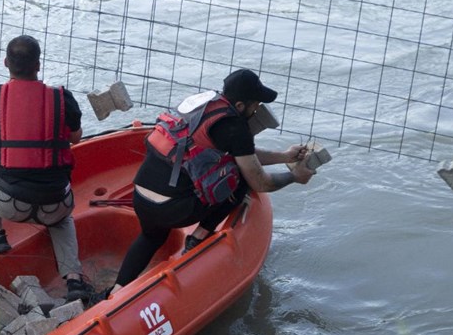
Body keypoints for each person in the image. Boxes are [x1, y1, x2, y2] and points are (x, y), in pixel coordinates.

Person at [100, 68, 316, 298]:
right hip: (173, 209)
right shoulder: (236, 127)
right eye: (256, 104)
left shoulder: (202, 105)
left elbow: (242, 154)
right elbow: (260, 181)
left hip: (141, 195)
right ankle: (199, 237)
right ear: (241, 106)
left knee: (151, 236)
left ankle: (115, 292)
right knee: (241, 177)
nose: (258, 109)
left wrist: (284, 156)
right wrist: (295, 177)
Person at [0, 34, 94, 301]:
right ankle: (74, 278)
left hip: (8, 204)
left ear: (6, 63)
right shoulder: (62, 98)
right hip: (56, 205)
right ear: (38, 65)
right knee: (63, 218)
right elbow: (75, 138)